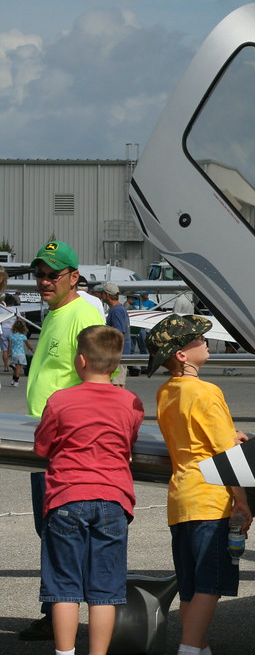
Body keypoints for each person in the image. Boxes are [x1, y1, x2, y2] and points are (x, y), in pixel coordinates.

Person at [33, 325, 144, 655]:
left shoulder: (61, 400)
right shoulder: (130, 402)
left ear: (80, 360)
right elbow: (129, 441)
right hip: (113, 498)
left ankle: (64, 652)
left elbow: (42, 447)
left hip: (67, 496)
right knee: (105, 590)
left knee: (64, 587)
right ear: (115, 364)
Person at [146, 314, 252, 654]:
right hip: (210, 499)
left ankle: (197, 646)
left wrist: (224, 437)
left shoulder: (166, 393)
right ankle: (189, 649)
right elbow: (226, 454)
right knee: (211, 584)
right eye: (197, 339)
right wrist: (242, 502)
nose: (205, 342)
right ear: (181, 354)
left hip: (181, 499)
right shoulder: (207, 392)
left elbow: (192, 436)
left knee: (191, 587)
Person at [20, 240, 106, 642]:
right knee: (51, 528)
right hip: (44, 437)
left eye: (52, 274)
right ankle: (59, 609)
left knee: (64, 529)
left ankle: (66, 613)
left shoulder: (83, 312)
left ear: (74, 276)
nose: (43, 282)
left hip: (66, 443)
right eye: (39, 274)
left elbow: (102, 373)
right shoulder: (57, 312)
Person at [96, 283, 131, 387]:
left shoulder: (116, 311)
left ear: (107, 295)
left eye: (102, 293)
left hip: (118, 354)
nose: (101, 296)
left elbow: (118, 333)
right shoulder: (119, 309)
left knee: (117, 384)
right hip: (121, 353)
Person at [9, 318, 33, 387]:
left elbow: (9, 346)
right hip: (21, 354)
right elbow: (28, 345)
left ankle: (13, 380)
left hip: (14, 353)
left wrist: (9, 353)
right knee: (19, 368)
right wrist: (32, 350)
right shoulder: (23, 336)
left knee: (16, 367)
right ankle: (16, 381)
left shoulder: (12, 336)